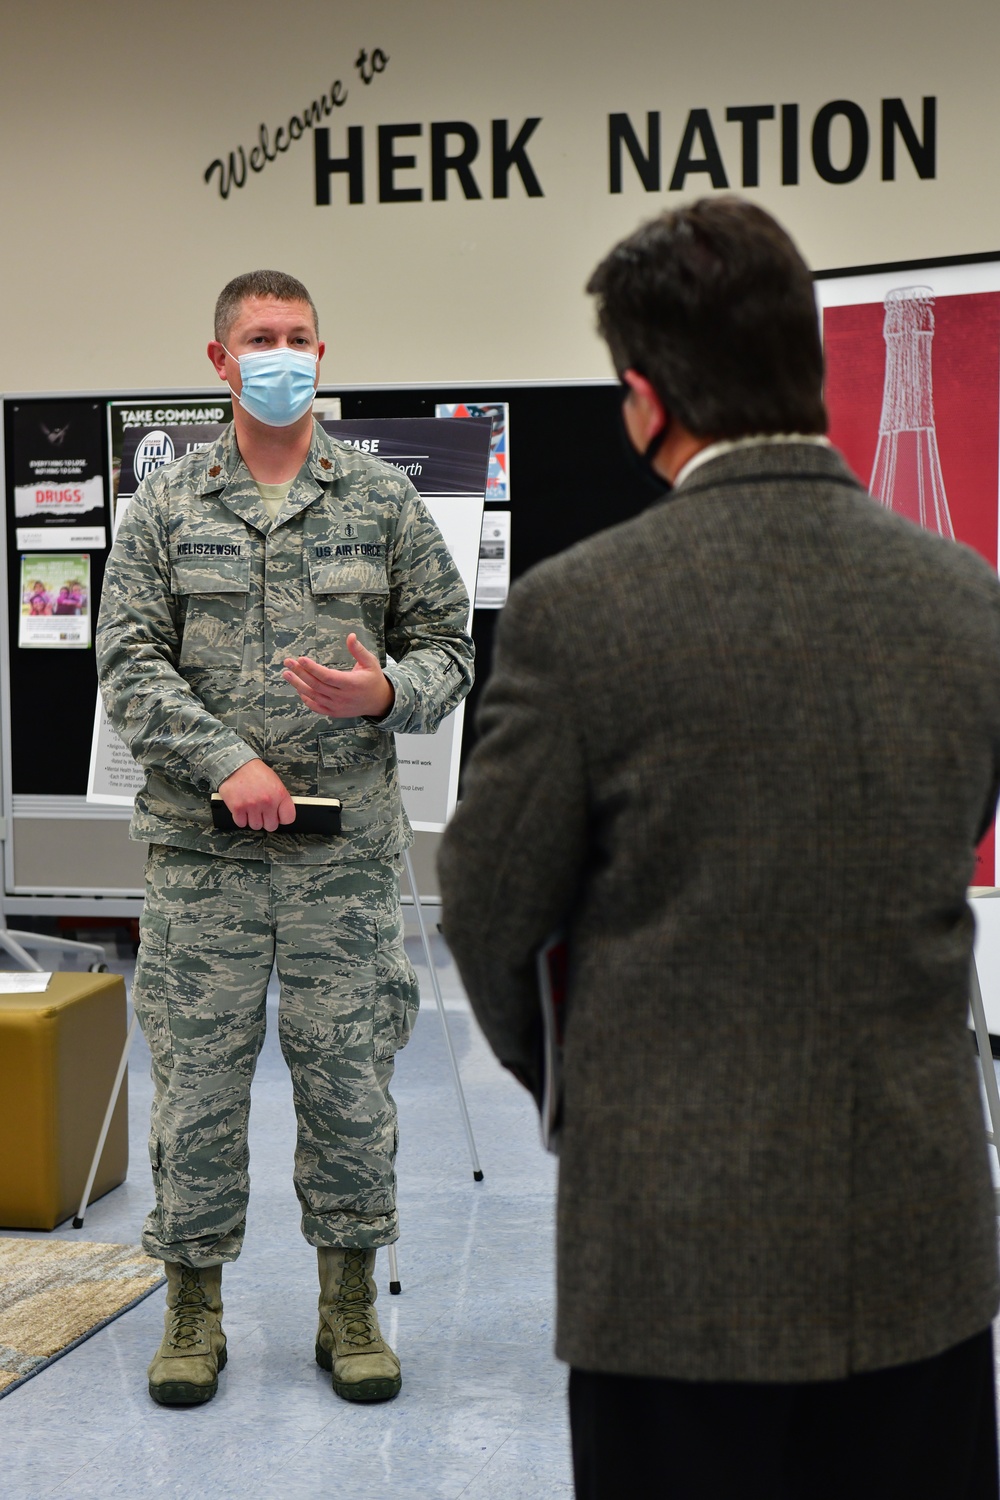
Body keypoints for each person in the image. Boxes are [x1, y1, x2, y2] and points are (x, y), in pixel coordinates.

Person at [437, 199, 1000, 1499]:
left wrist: (589, 1092)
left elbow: (487, 907)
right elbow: (952, 830)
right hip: (920, 1259)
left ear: (643, 398)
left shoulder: (581, 614)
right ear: (808, 361)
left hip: (677, 1271)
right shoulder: (968, 603)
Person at [97, 269, 473, 1409]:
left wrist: (382, 698)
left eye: (299, 337)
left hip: (341, 864)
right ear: (219, 360)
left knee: (351, 1084)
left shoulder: (379, 500)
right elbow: (125, 660)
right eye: (260, 337)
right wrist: (229, 762)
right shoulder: (166, 508)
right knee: (198, 1091)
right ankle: (193, 1311)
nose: (282, 353)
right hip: (203, 860)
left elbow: (451, 649)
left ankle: (349, 1306)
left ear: (323, 353)